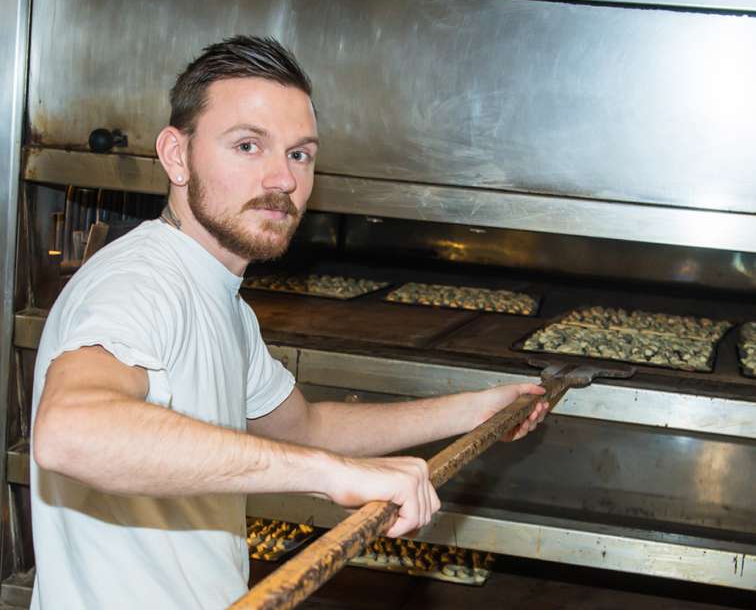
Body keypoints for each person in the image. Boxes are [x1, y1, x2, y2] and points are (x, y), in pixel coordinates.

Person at [30, 36, 548, 609]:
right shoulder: (140, 282)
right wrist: (330, 474)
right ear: (176, 156)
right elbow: (71, 432)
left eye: (299, 154)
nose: (282, 179)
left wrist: (472, 409)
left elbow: (304, 429)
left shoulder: (222, 300)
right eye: (249, 146)